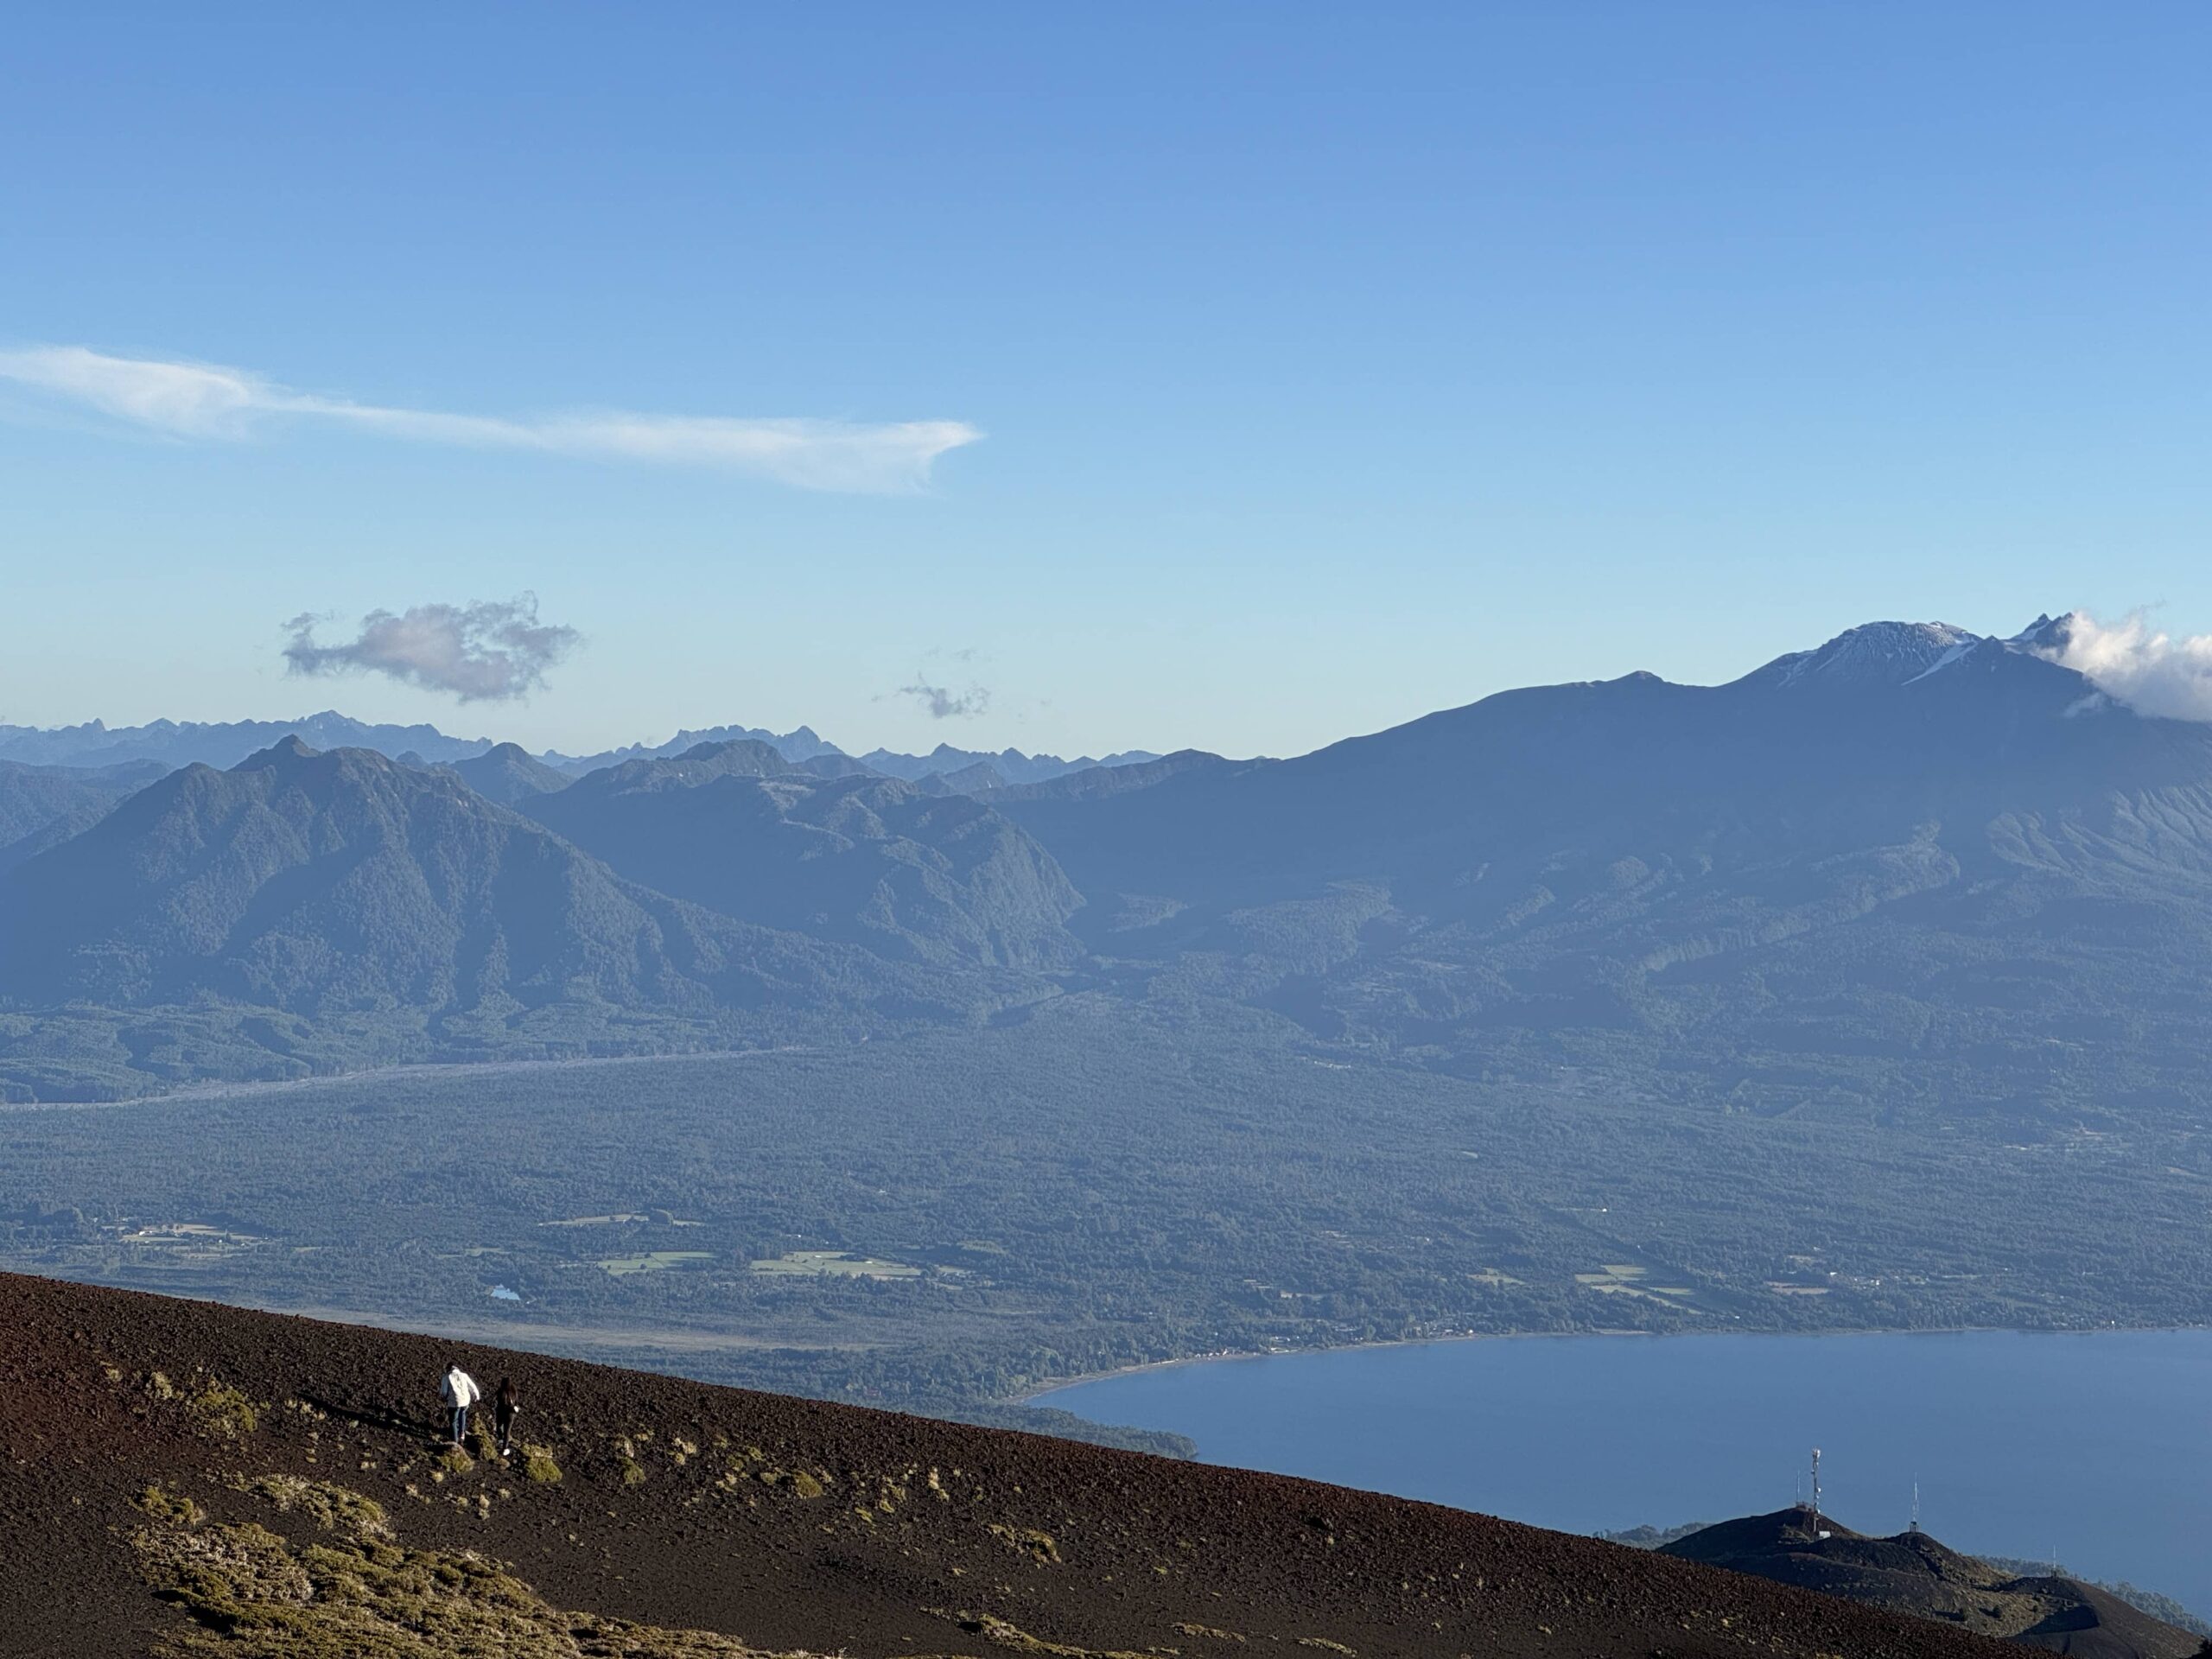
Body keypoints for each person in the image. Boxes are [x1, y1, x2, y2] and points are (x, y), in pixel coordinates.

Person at [439, 1360, 481, 1448]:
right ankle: (462, 1434)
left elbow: (444, 1392)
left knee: (453, 1421)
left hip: (454, 1402)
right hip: (466, 1400)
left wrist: (443, 1398)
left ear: (448, 1369)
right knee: (463, 1413)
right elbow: (472, 1386)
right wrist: (476, 1396)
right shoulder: (464, 1375)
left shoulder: (447, 1377)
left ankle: (455, 1441)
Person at [493, 1376, 519, 1456]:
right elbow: (517, 1402)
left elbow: (497, 1402)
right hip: (511, 1414)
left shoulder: (501, 1391)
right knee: (507, 1431)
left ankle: (501, 1441)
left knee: (499, 1428)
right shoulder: (514, 1391)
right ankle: (505, 1448)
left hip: (501, 1413)